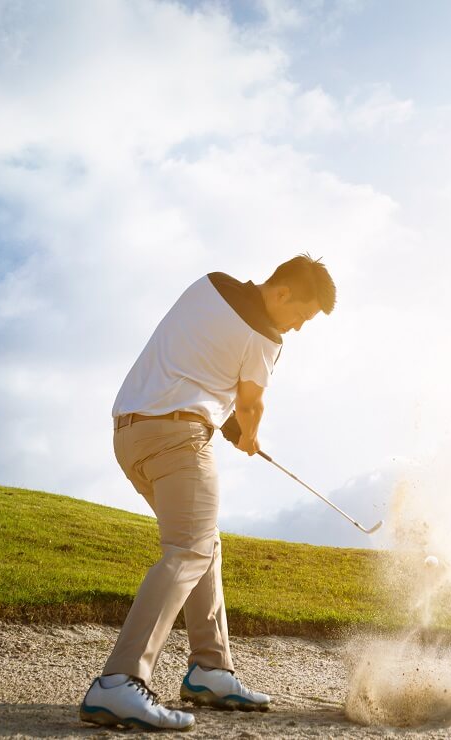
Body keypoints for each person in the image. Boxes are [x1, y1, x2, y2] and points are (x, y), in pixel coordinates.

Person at [80, 255, 336, 731]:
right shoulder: (265, 337)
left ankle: (210, 670)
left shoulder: (210, 284)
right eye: (301, 315)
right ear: (281, 293)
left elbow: (202, 361)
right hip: (178, 439)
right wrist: (249, 433)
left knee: (203, 544)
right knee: (189, 550)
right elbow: (251, 402)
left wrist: (232, 420)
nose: (298, 328)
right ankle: (118, 682)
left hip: (130, 436)